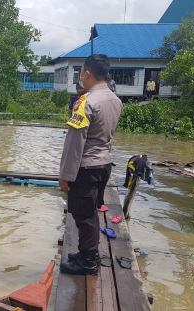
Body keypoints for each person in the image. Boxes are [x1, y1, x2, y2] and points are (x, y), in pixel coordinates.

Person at [59, 54, 122, 275]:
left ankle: (87, 261)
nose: (80, 79)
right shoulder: (115, 100)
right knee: (91, 210)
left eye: (81, 74)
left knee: (83, 215)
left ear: (87, 73)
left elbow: (75, 143)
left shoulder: (86, 102)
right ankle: (88, 253)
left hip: (86, 166)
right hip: (104, 164)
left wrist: (66, 174)